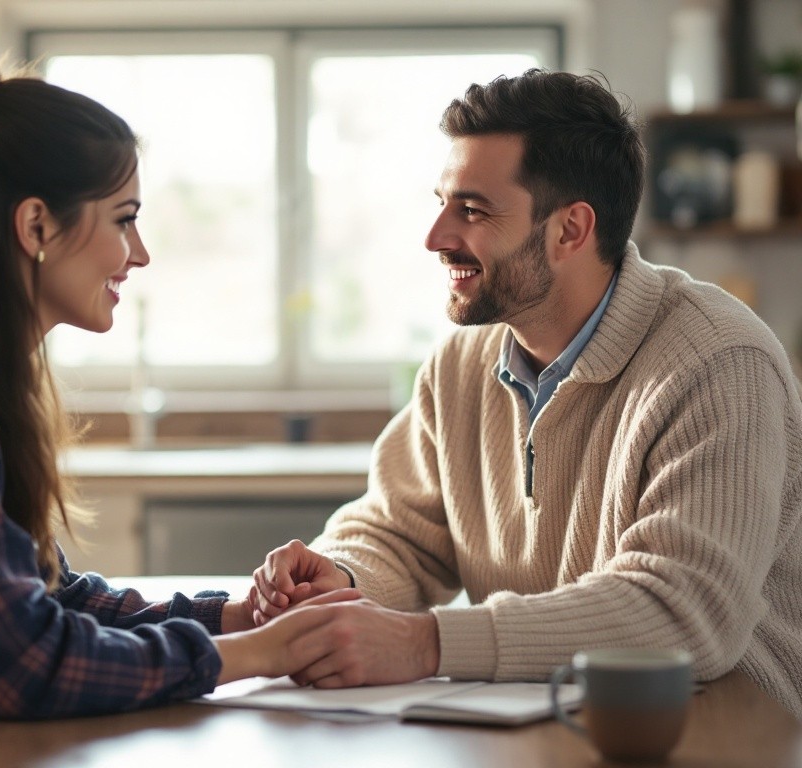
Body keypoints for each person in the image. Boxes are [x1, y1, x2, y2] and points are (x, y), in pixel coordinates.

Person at [0, 48, 359, 764]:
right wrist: (251, 654)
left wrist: (238, 616)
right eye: (123, 219)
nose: (139, 254)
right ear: (36, 228)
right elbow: (17, 662)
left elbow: (43, 597)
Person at [250, 68, 802, 717]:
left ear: (570, 230)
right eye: (442, 203)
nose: (436, 238)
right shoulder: (460, 363)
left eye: (473, 210)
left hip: (714, 732)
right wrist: (339, 578)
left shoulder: (717, 362)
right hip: (532, 725)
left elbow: (681, 611)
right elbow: (400, 534)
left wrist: (426, 643)